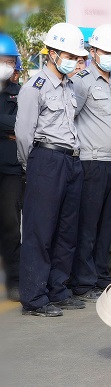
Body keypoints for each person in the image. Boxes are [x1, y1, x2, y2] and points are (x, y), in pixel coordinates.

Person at [15, 22, 89, 317]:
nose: (73, 61)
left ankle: (58, 289)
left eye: (76, 56)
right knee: (40, 231)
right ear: (53, 53)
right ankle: (34, 297)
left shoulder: (69, 86)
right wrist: (31, 167)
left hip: (71, 160)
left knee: (66, 231)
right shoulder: (34, 87)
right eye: (69, 56)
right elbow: (24, 134)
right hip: (46, 160)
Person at [66, 24, 111, 303]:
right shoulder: (81, 81)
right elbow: (70, 118)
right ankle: (83, 281)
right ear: (92, 51)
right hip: (92, 163)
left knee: (107, 227)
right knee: (88, 226)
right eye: (107, 51)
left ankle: (101, 274)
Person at [0, 33, 22, 302]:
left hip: (11, 170)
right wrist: (8, 129)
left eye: (8, 61)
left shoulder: (20, 93)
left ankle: (16, 280)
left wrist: (11, 128)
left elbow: (22, 124)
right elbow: (12, 126)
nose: (4, 65)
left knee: (10, 225)